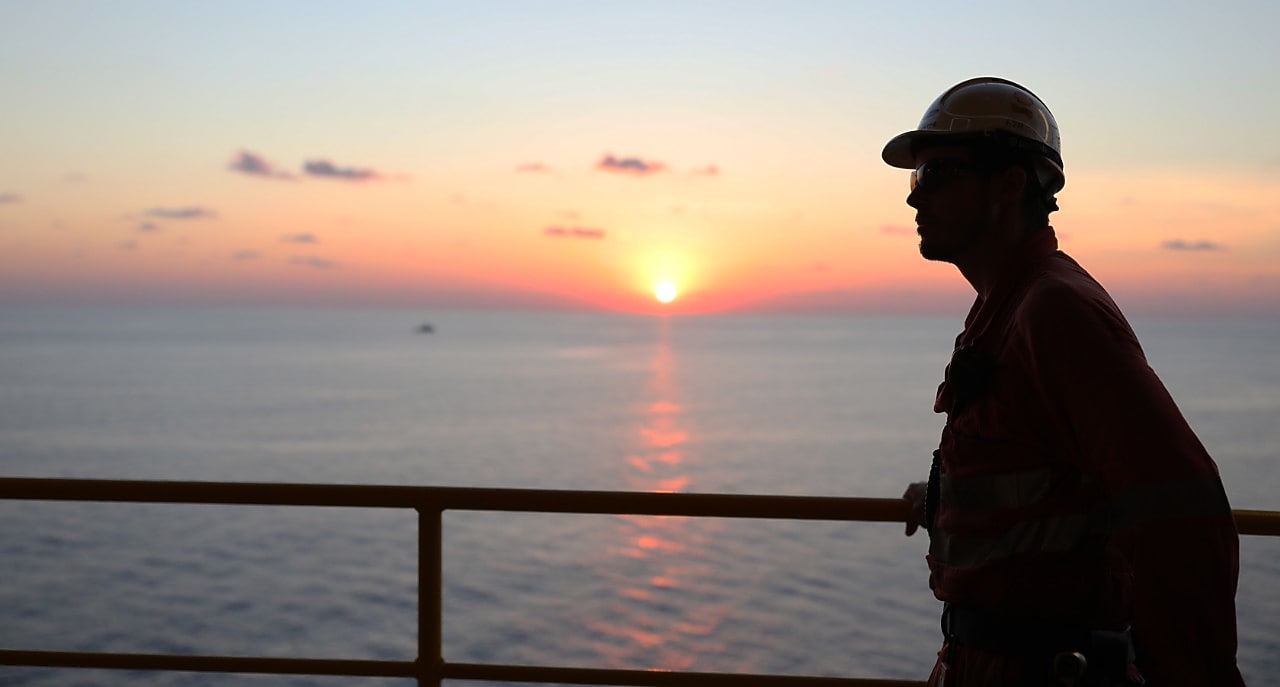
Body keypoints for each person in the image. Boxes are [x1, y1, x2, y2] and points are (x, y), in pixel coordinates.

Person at [885, 77, 1245, 686]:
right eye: (915, 180)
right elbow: (1048, 475)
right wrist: (947, 500)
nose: (915, 201)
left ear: (1010, 184)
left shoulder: (1055, 310)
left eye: (938, 175)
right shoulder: (1007, 307)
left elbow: (1178, 508)